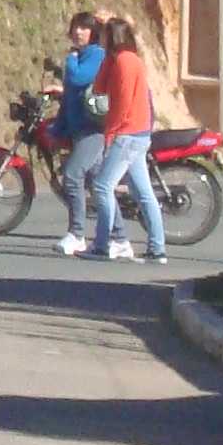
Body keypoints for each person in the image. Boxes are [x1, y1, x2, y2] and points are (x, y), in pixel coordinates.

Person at [83, 14, 163, 264]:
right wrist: (107, 58)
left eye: (104, 35)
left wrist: (111, 133)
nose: (100, 39)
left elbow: (123, 104)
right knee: (142, 192)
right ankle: (157, 248)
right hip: (136, 133)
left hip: (127, 133)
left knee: (102, 186)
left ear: (113, 37)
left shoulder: (125, 62)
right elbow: (100, 88)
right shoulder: (119, 60)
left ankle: (103, 245)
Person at [48, 10, 105, 255]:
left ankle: (77, 234)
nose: (78, 32)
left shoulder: (96, 55)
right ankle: (119, 236)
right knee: (99, 185)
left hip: (93, 129)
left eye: (84, 28)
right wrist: (57, 130)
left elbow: (80, 78)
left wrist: (71, 59)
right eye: (75, 27)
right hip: (78, 129)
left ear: (93, 33)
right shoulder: (81, 56)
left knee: (72, 176)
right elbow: (69, 99)